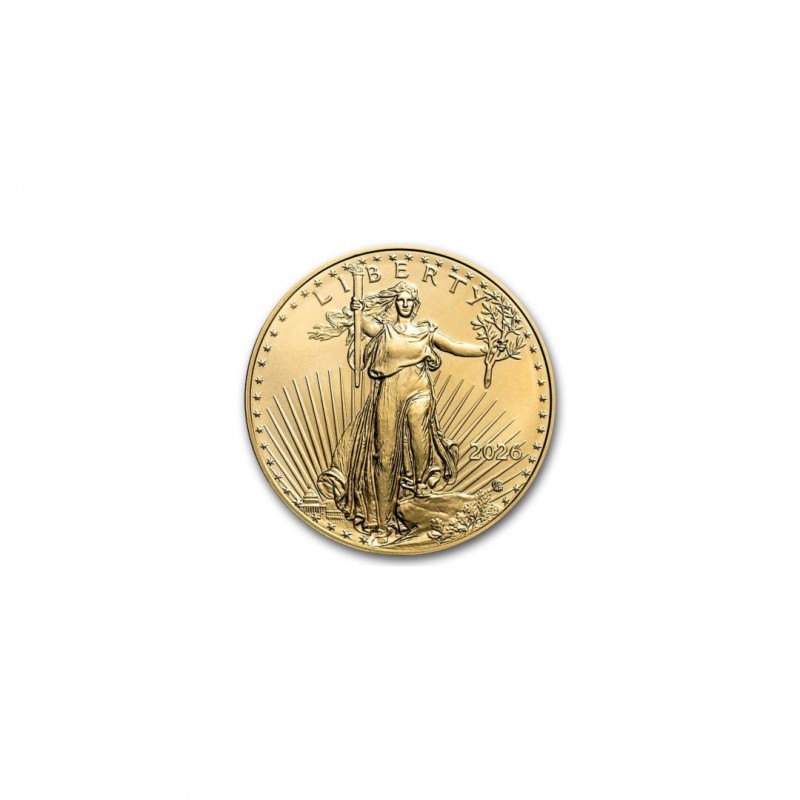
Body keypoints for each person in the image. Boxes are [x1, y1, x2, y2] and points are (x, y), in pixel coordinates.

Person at [312, 281, 491, 545]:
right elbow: (364, 325)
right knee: (384, 456)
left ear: (415, 305)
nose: (405, 304)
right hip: (389, 392)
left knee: (419, 432)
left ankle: (420, 483)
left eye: (409, 300)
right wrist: (357, 310)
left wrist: (486, 350)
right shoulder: (385, 330)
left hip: (419, 390)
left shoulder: (425, 332)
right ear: (395, 304)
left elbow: (455, 346)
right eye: (401, 300)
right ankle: (381, 522)